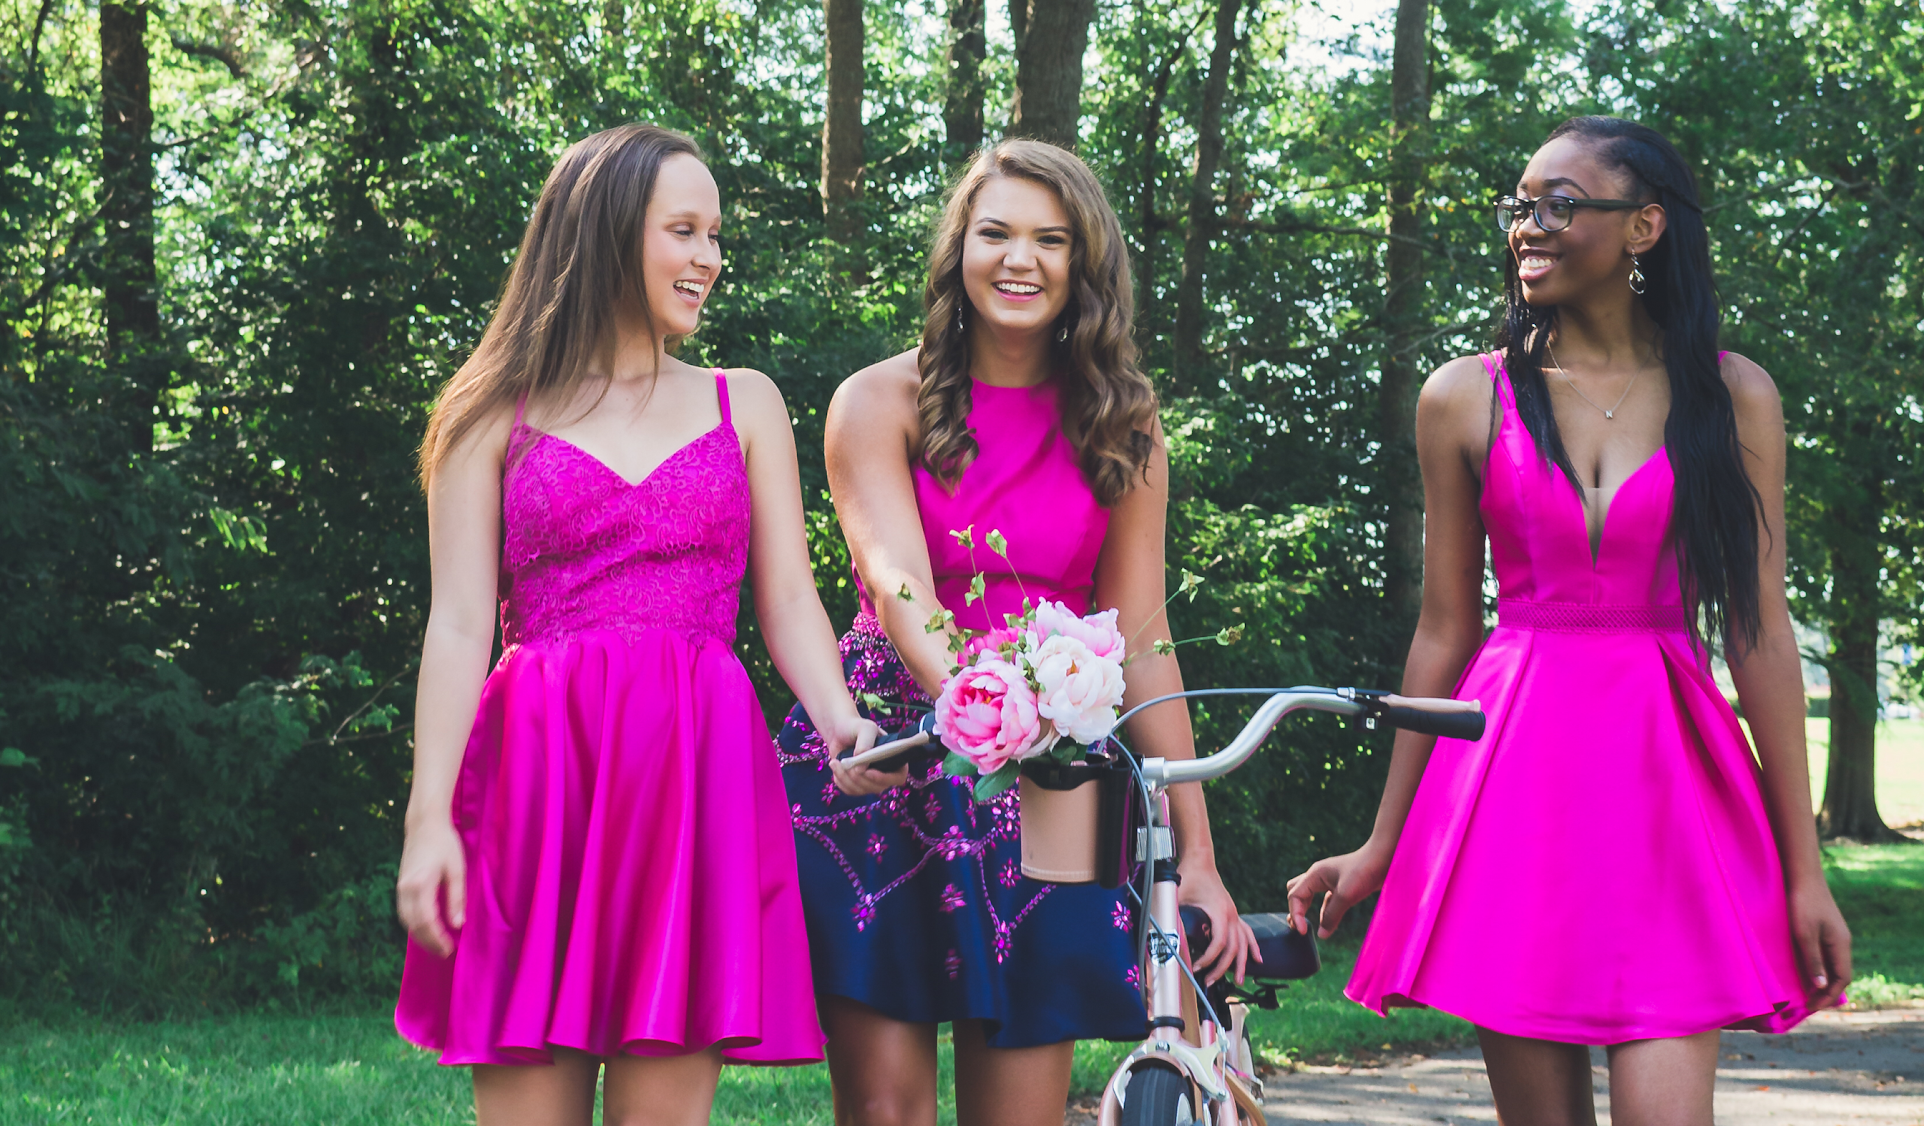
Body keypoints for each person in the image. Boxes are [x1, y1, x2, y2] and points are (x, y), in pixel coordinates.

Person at [1284, 116, 1852, 1124]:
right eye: (1519, 206)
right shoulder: (1463, 396)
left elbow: (1758, 630)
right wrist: (1384, 839)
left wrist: (1802, 872)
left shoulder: (1733, 395)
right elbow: (1444, 630)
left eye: (1558, 204)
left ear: (1642, 227)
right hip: (1510, 781)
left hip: (1670, 783)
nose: (1526, 226)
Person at [391, 124, 878, 1126]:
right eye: (684, 230)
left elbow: (787, 598)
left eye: (716, 235)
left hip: (694, 776)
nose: (710, 258)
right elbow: (458, 625)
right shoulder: (487, 413)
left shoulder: (744, 403)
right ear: (609, 231)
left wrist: (840, 722)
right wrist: (428, 817)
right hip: (538, 778)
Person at [775, 139, 1260, 1126]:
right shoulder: (875, 399)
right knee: (884, 1111)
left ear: (1085, 264)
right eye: (995, 233)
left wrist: (1195, 851)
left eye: (1051, 239)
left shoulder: (1124, 420)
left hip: (1055, 772)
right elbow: (895, 580)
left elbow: (1142, 635)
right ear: (959, 247)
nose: (1019, 259)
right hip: (892, 746)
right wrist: (982, 705)